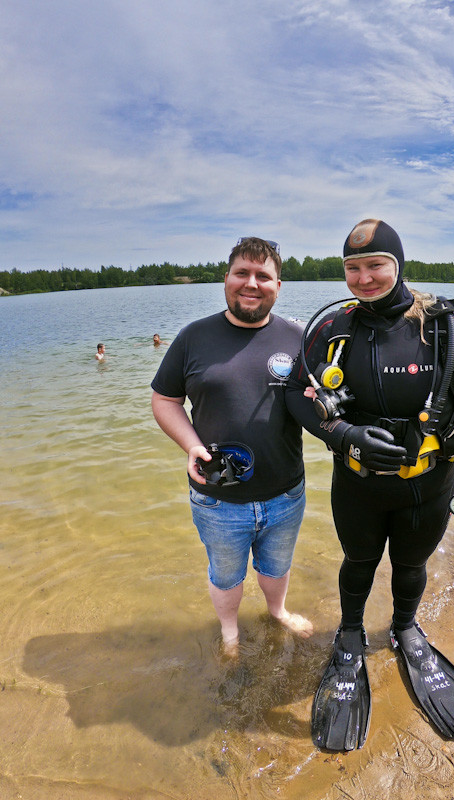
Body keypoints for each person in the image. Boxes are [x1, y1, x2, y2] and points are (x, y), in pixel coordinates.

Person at [285, 219, 454, 750]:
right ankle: (351, 634)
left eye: (374, 266)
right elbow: (296, 394)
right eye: (352, 269)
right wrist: (343, 433)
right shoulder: (333, 328)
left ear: (397, 265)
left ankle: (406, 629)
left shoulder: (444, 328)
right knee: (357, 562)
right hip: (357, 484)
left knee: (411, 564)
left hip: (427, 485)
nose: (363, 278)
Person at [151, 237, 312, 653]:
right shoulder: (193, 337)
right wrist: (190, 444)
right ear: (226, 278)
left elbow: (320, 406)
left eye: (264, 276)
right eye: (242, 273)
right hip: (217, 498)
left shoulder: (298, 337)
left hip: (286, 493)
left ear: (279, 285)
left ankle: (277, 612)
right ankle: (229, 633)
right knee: (225, 574)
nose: (251, 284)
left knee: (277, 567)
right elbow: (165, 400)